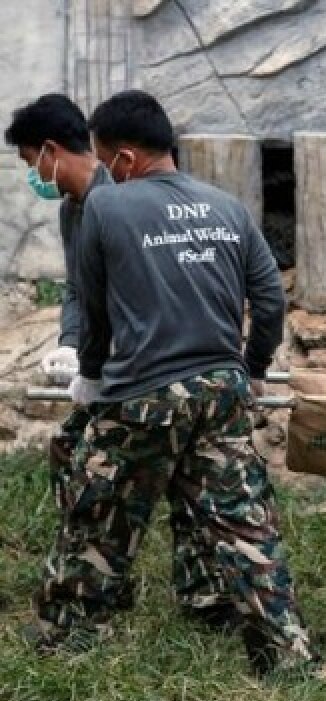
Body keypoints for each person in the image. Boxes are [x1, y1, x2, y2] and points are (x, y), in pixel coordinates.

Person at [27, 89, 318, 677]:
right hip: (223, 390)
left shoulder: (106, 209)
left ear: (127, 160)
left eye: (107, 159)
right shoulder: (228, 206)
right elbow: (268, 299)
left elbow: (98, 311)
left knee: (98, 513)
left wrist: (88, 373)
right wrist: (252, 369)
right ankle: (287, 657)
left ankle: (70, 640)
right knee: (243, 524)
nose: (104, 171)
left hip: (144, 393)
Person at [4, 93, 239, 631]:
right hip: (112, 363)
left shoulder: (127, 197)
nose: (33, 178)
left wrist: (99, 368)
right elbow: (80, 291)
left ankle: (119, 599)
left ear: (50, 150)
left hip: (147, 367)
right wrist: (71, 346)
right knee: (79, 459)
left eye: (30, 163)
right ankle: (112, 583)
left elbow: (148, 293)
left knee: (143, 481)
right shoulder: (75, 209)